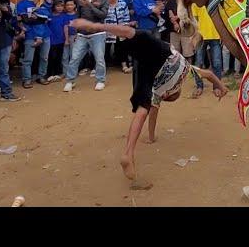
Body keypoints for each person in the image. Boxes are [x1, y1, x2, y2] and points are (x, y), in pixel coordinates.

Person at [69, 18, 228, 182]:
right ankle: (128, 153)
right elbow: (153, 113)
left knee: (131, 34)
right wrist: (151, 136)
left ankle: (97, 26)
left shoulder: (185, 71)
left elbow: (209, 75)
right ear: (169, 95)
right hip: (155, 62)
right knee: (142, 109)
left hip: (162, 56)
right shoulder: (159, 92)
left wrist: (221, 87)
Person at [63, 0, 108, 92]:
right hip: (82, 34)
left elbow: (103, 15)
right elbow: (78, 16)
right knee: (74, 58)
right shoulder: (80, 0)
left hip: (98, 33)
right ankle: (70, 81)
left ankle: (100, 80)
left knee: (99, 59)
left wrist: (90, 5)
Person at [17, 0, 52, 88]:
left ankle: (41, 76)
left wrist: (37, 17)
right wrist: (40, 18)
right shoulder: (21, 4)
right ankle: (27, 79)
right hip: (30, 35)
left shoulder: (42, 1)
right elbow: (26, 20)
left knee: (44, 57)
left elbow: (48, 17)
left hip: (45, 34)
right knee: (28, 59)